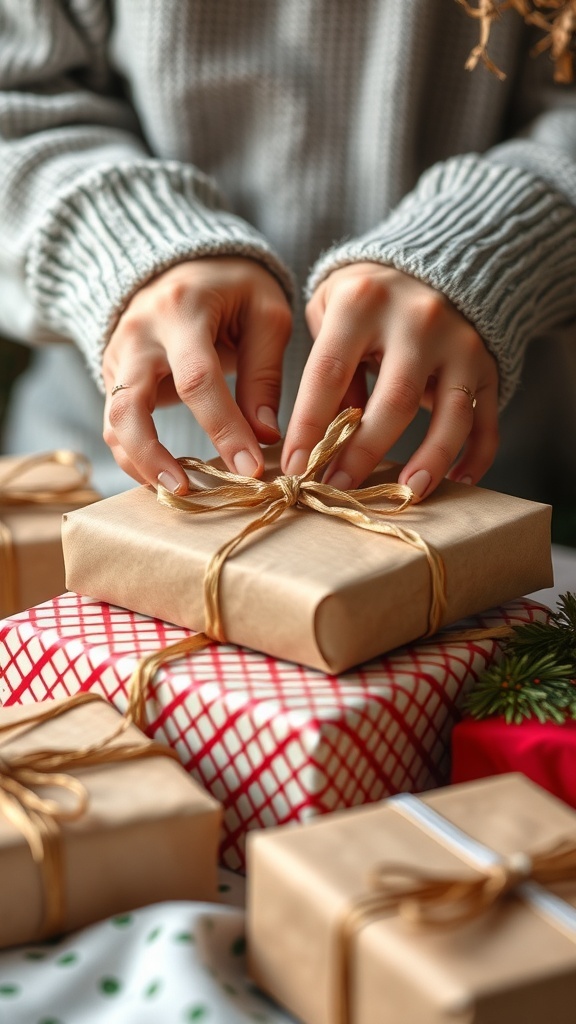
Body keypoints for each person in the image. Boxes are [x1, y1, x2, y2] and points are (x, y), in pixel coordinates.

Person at [0, 0, 575, 503]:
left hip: (468, 498)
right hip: (96, 490)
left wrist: (479, 247)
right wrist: (126, 243)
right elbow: (18, 93)